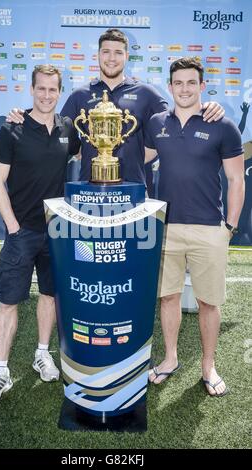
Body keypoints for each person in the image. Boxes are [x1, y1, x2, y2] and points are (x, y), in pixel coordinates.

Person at [0, 65, 80, 405]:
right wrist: (13, 226)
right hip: (21, 231)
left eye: (53, 90)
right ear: (32, 89)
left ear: (60, 91)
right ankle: (1, 370)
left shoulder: (68, 128)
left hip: (57, 232)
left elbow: (84, 153)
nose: (47, 95)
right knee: (8, 301)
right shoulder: (13, 128)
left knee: (49, 296)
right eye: (41, 89)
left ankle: (41, 354)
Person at [144, 57, 245, 396]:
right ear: (170, 87)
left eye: (191, 83)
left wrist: (228, 227)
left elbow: (235, 179)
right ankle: (170, 358)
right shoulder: (157, 122)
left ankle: (208, 366)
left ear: (202, 86)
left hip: (208, 229)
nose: (184, 89)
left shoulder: (223, 125)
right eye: (178, 83)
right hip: (167, 228)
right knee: (168, 297)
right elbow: (136, 159)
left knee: (208, 302)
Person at [8, 29, 224, 184]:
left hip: (135, 187)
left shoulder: (146, 93)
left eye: (118, 52)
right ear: (98, 55)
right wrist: (23, 115)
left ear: (127, 56)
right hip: (90, 186)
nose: (112, 58)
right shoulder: (79, 95)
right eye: (106, 51)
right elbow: (56, 129)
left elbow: (176, 118)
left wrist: (206, 106)